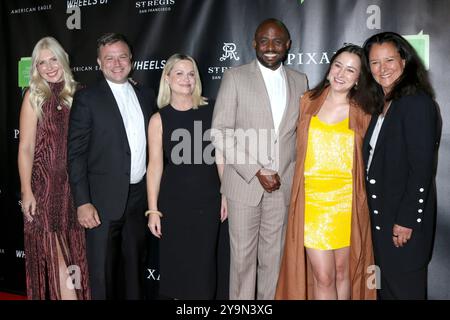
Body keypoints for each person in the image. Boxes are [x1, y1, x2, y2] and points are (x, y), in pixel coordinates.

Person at [211, 18, 308, 300]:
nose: (270, 47)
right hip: (245, 185)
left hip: (283, 186)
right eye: (263, 41)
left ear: (287, 45)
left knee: (274, 261)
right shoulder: (235, 77)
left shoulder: (299, 80)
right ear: (254, 43)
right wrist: (256, 170)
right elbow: (220, 132)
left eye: (277, 41)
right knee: (241, 263)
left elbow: (297, 134)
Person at [275, 45, 377, 300]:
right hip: (313, 204)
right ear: (330, 67)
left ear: (358, 79)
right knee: (323, 276)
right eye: (338, 65)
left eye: (350, 70)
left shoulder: (363, 111)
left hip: (347, 204)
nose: (341, 73)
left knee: (344, 273)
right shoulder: (307, 102)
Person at [68, 33, 156, 299]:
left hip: (138, 198)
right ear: (98, 62)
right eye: (109, 58)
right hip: (101, 202)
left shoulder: (146, 94)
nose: (116, 63)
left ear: (131, 59)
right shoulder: (87, 99)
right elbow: (75, 155)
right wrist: (83, 202)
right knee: (103, 275)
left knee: (134, 272)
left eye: (122, 57)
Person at [362, 32, 439, 300]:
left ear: (404, 61)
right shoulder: (381, 105)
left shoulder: (416, 103)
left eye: (389, 60)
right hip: (379, 223)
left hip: (401, 226)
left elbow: (421, 169)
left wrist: (407, 219)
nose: (382, 69)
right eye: (374, 62)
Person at [146, 53, 227, 299]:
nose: (186, 79)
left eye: (191, 73)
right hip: (174, 204)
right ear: (167, 78)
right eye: (179, 73)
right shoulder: (159, 119)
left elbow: (221, 157)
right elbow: (155, 167)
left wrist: (226, 194)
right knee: (177, 268)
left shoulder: (212, 109)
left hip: (209, 201)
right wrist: (153, 210)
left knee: (205, 269)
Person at [18, 36, 90, 300]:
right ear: (35, 67)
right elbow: (25, 147)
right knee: (58, 258)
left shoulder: (81, 94)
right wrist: (26, 190)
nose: (48, 67)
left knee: (75, 257)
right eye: (41, 62)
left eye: (53, 59)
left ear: (64, 60)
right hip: (45, 191)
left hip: (75, 191)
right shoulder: (33, 97)